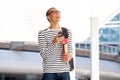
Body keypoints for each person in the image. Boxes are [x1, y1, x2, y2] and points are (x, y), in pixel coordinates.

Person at [38, 7, 73, 80]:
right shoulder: (42, 33)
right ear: (48, 17)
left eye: (58, 11)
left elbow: (70, 51)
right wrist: (54, 42)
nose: (57, 13)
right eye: (54, 12)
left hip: (65, 72)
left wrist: (68, 56)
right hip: (49, 73)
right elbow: (44, 55)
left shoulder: (67, 31)